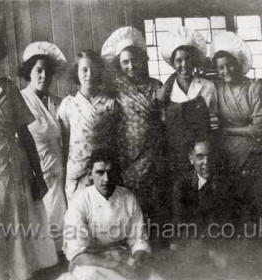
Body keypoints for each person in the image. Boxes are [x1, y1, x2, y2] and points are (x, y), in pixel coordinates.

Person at [0, 9, 58, 280]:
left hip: (14, 169)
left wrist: (37, 174)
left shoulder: (8, 88)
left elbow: (25, 135)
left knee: (17, 234)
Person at [63, 148, 164, 280]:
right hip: (91, 262)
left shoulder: (128, 197)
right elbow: (77, 254)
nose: (106, 179)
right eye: (100, 172)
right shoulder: (80, 202)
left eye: (111, 172)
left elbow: (138, 239)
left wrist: (139, 261)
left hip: (123, 256)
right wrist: (116, 266)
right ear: (90, 174)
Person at [101, 26, 165, 220]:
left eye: (134, 60)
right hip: (125, 155)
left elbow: (163, 120)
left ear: (142, 60)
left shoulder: (156, 86)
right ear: (119, 65)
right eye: (125, 62)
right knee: (128, 203)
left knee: (152, 201)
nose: (131, 66)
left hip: (151, 153)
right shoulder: (114, 88)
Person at [18, 42, 67, 251]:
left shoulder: (59, 102)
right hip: (35, 173)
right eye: (38, 70)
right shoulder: (20, 100)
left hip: (58, 173)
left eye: (48, 71)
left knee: (61, 232)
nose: (43, 76)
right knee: (39, 235)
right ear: (29, 71)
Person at [210, 32, 262, 221]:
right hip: (225, 155)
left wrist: (225, 130)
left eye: (230, 64)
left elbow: (258, 129)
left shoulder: (254, 88)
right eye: (221, 67)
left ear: (238, 63)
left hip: (253, 154)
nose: (227, 70)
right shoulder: (216, 88)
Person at [158, 26, 218, 181]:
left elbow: (215, 120)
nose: (184, 64)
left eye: (188, 59)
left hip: (203, 155)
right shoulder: (166, 91)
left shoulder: (207, 86)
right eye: (178, 60)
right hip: (176, 155)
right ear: (172, 63)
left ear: (194, 60)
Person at [57, 50, 117, 204]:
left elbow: (115, 140)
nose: (89, 74)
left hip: (102, 171)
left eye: (93, 70)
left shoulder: (109, 103)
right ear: (76, 73)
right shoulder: (68, 105)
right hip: (76, 171)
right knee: (80, 219)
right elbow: (64, 143)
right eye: (84, 70)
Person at [172, 138, 234, 229]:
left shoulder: (228, 184)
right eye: (200, 157)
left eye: (210, 157)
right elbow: (180, 223)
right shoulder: (182, 185)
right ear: (191, 159)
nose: (206, 162)